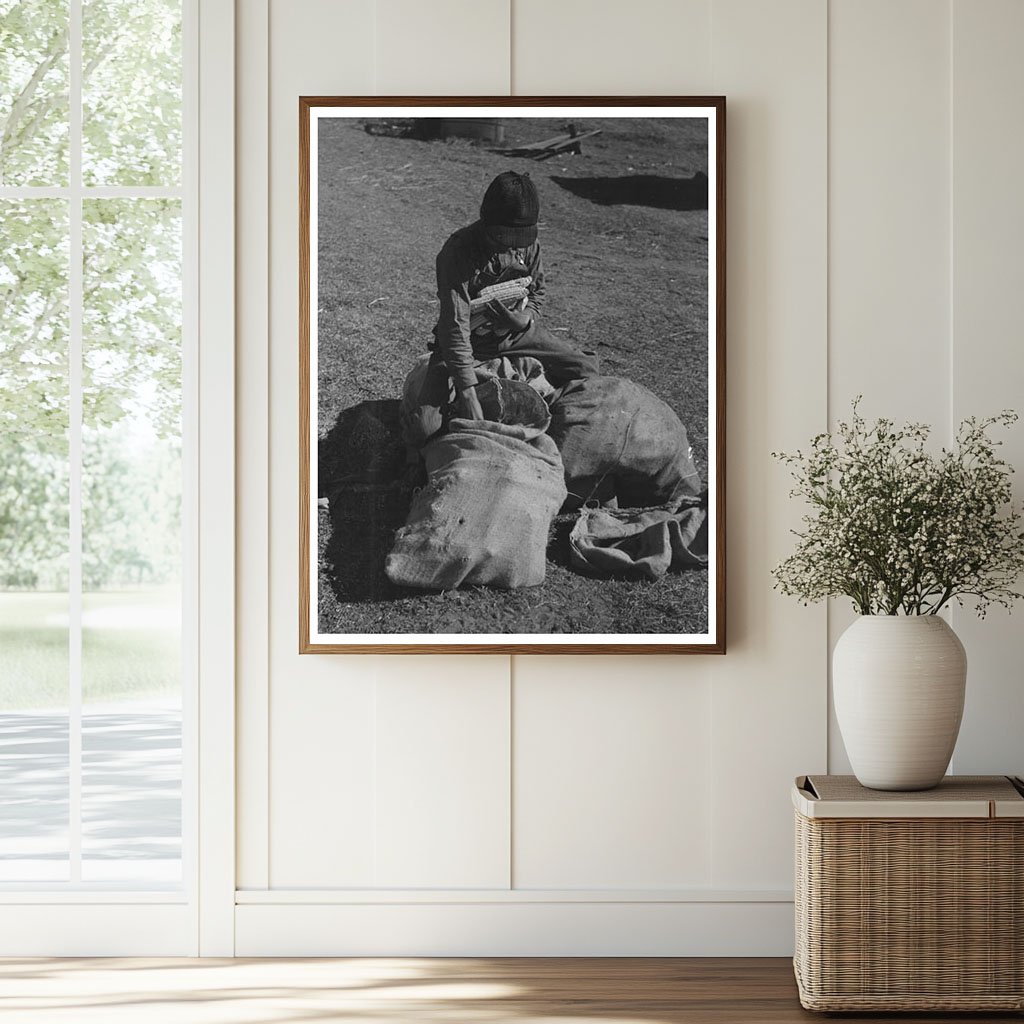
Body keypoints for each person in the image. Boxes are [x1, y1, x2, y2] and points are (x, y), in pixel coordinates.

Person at [401, 170, 598, 447]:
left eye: (516, 240)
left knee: (586, 367)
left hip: (515, 335)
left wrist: (524, 320)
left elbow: (537, 292)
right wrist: (467, 392)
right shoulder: (457, 251)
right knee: (425, 429)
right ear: (486, 223)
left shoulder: (528, 245)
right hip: (468, 343)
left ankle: (544, 405)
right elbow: (455, 327)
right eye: (501, 238)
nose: (508, 246)